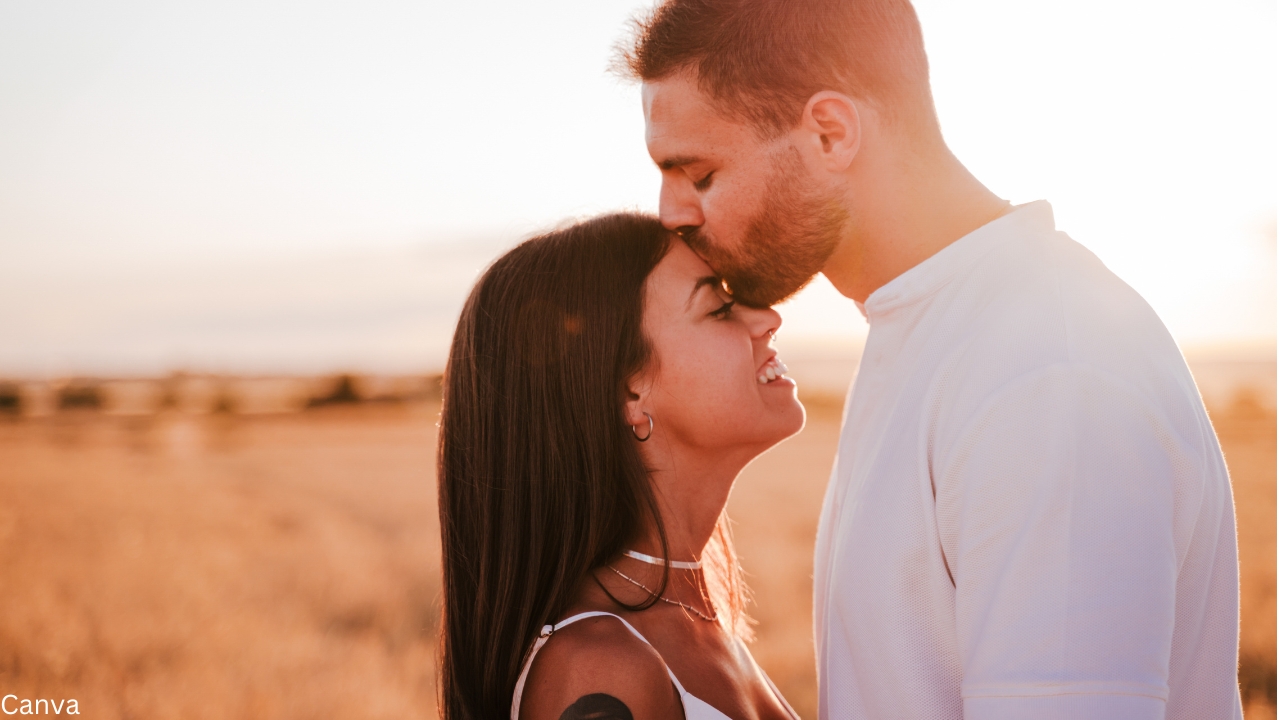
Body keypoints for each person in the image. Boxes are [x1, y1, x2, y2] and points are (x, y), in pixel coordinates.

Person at [619, 1, 1243, 719]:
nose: (672, 213)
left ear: (830, 132)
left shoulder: (1045, 376)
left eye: (697, 173)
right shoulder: (926, 327)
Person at [437, 213, 803, 720]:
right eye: (718, 308)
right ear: (631, 391)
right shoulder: (599, 668)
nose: (767, 319)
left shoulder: (698, 619)